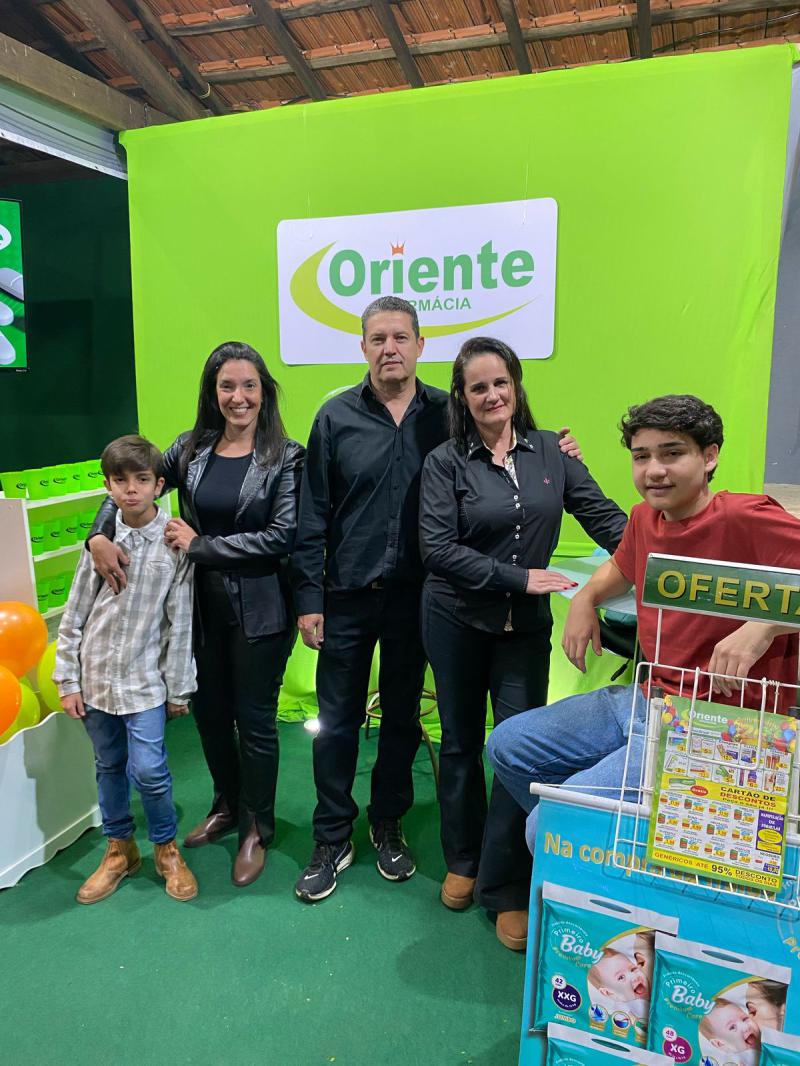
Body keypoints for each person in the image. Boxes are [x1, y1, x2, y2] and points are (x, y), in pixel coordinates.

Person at [291, 297, 584, 902]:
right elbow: (313, 511)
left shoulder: (449, 415)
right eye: (377, 338)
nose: (389, 348)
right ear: (363, 347)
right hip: (347, 593)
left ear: (421, 345)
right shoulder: (335, 417)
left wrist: (558, 452)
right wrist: (308, 597)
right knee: (337, 721)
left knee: (402, 717)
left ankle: (388, 823)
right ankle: (331, 836)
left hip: (419, 595)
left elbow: (507, 449)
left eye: (400, 337)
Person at [487, 394, 800, 862]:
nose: (654, 470)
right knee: (507, 746)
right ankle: (616, 850)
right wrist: (587, 599)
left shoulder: (745, 517)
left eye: (672, 454)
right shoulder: (644, 518)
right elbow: (622, 567)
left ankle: (596, 847)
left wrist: (763, 626)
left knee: (547, 827)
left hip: (721, 726)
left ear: (709, 456)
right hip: (648, 698)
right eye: (641, 456)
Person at [419, 336, 627, 950]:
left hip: (523, 631)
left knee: (519, 753)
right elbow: (437, 548)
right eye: (478, 386)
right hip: (455, 620)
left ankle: (506, 884)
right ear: (462, 396)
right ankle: (463, 859)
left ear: (516, 386)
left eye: (501, 382)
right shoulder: (444, 462)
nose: (492, 395)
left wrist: (668, 553)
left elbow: (609, 521)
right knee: (460, 741)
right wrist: (520, 578)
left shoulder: (553, 453)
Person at [87, 342, 304, 887]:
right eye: (227, 386)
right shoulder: (189, 448)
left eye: (249, 385)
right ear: (213, 392)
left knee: (254, 721)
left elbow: (282, 535)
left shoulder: (286, 455)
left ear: (264, 391)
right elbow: (129, 478)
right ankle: (226, 805)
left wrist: (202, 545)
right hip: (195, 610)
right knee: (210, 716)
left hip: (260, 611)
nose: (238, 397)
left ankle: (256, 827)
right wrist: (98, 534)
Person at [53, 434, 198, 904]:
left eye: (141, 479)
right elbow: (75, 613)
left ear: (159, 485)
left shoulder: (174, 546)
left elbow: (180, 622)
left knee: (150, 770)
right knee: (108, 765)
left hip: (145, 684)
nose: (131, 489)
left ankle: (166, 849)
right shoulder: (99, 543)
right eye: (120, 481)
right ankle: (119, 850)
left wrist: (178, 689)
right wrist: (68, 679)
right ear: (108, 486)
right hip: (96, 680)